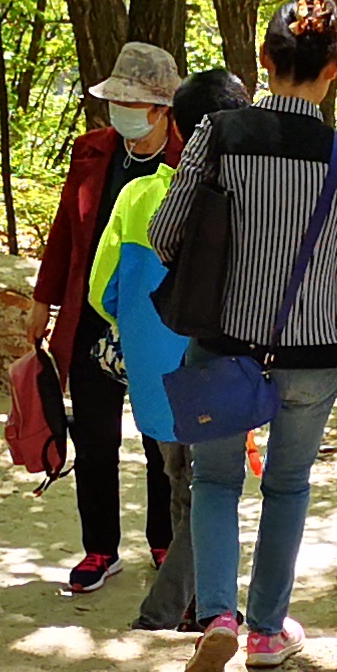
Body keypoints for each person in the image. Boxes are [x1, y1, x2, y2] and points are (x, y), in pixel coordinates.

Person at [147, 0, 337, 672]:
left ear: (265, 62)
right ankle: (267, 631)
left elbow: (164, 237)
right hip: (313, 359)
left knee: (217, 480)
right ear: (335, 68)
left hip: (223, 349)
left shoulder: (217, 134)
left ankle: (218, 617)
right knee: (287, 486)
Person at [90, 66, 248, 632]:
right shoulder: (248, 201)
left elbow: (101, 291)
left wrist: (137, 331)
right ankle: (170, 612)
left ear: (178, 126)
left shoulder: (138, 195)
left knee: (183, 485)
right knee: (207, 491)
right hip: (215, 372)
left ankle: (194, 604)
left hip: (154, 381)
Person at [32, 41, 188, 596]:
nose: (120, 111)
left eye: (134, 102)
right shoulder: (93, 151)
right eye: (115, 99)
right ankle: (100, 548)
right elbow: (64, 236)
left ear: (163, 109)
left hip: (157, 325)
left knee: (159, 439)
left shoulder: (187, 162)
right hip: (92, 316)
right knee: (93, 436)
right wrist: (42, 301)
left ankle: (164, 538)